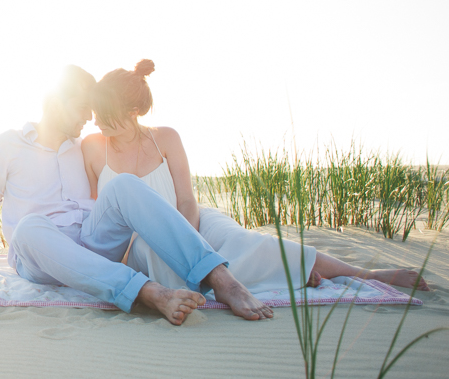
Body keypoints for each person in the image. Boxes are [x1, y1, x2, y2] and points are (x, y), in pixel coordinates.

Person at [0, 65, 275, 325]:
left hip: (90, 239)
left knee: (124, 185)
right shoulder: (6, 144)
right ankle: (149, 293)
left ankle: (222, 280)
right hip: (39, 252)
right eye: (83, 109)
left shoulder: (84, 147)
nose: (91, 118)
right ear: (57, 102)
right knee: (28, 228)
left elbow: (124, 121)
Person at [84, 59, 429, 294]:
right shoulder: (92, 148)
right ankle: (285, 276)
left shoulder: (167, 138)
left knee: (246, 242)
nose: (96, 119)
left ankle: (364, 274)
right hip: (138, 243)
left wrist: (188, 241)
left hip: (192, 222)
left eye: (105, 113)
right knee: (158, 255)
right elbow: (98, 212)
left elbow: (187, 199)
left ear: (131, 111)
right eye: (96, 112)